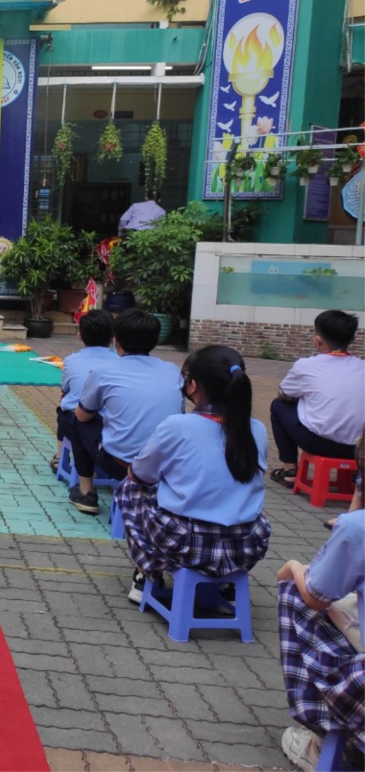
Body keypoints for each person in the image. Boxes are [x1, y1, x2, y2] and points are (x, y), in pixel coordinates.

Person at [114, 345, 271, 603]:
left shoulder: (177, 426)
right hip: (246, 545)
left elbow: (140, 475)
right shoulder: (258, 429)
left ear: (193, 386)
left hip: (185, 545)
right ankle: (227, 584)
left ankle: (146, 573)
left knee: (130, 489)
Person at [69, 309, 184, 515]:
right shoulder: (173, 371)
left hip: (122, 465)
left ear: (116, 341)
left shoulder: (103, 371)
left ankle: (86, 491)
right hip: (166, 465)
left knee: (77, 420)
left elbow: (83, 415)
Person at [275, 512, 365, 771]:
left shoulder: (357, 527)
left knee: (296, 592)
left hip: (187, 542)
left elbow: (315, 597)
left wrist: (293, 567)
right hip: (246, 544)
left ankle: (324, 737)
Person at [270, 310, 365, 489]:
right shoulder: (362, 367)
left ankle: (290, 471)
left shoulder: (307, 365)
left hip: (319, 443)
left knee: (278, 405)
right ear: (352, 339)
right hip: (359, 448)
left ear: (317, 340)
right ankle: (354, 475)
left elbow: (283, 394)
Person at [51, 309, 116, 472]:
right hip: (112, 424)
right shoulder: (119, 361)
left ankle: (60, 457)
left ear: (80, 335)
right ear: (113, 337)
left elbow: (65, 389)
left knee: (64, 408)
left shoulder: (71, 360)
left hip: (77, 422)